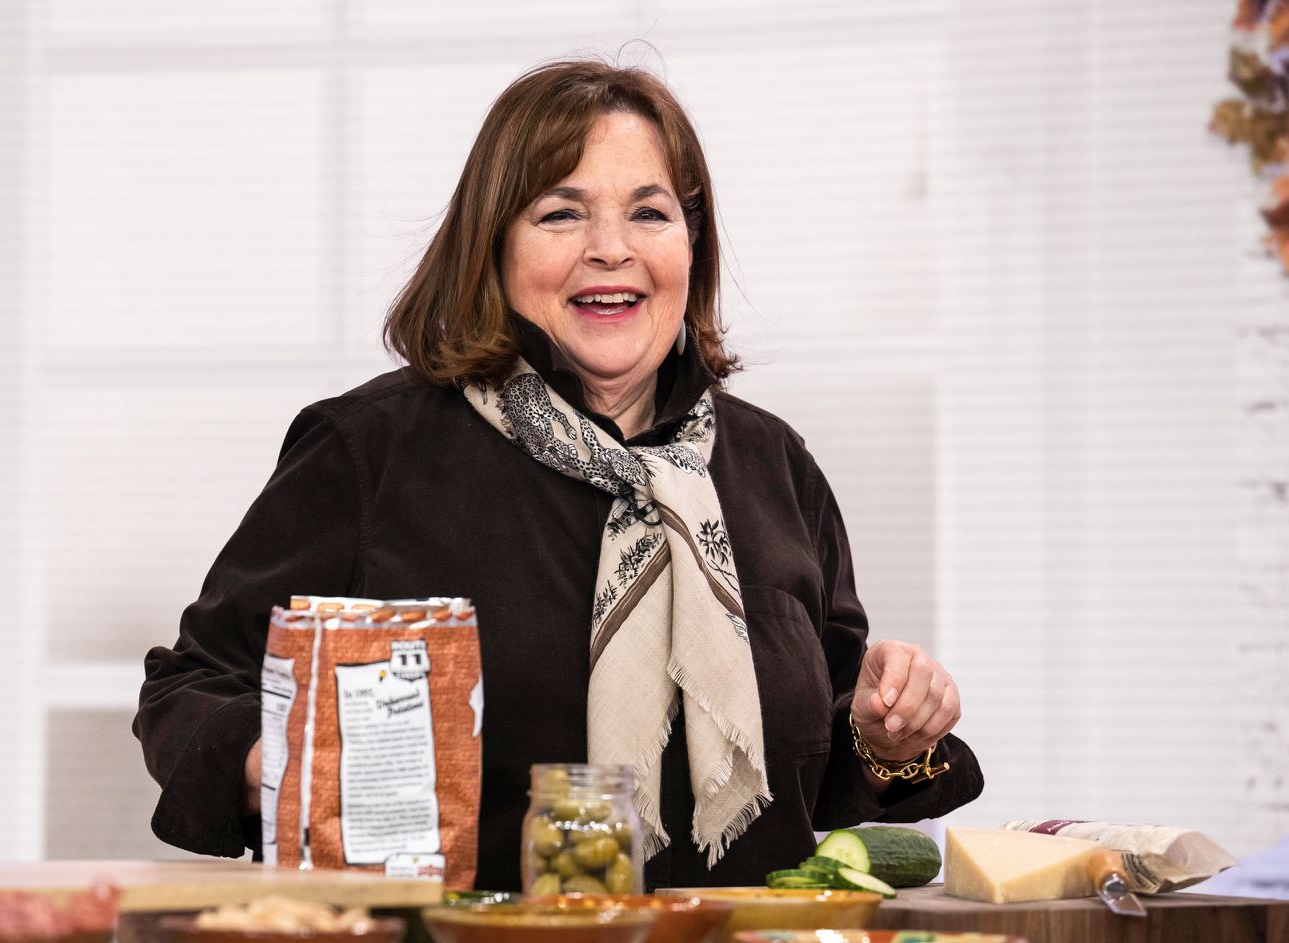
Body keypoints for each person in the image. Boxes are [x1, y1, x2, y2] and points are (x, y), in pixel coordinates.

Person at [135, 58, 982, 891]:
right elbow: (191, 688)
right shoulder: (369, 452)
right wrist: (291, 761)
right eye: (560, 214)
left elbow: (810, 770)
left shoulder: (773, 466)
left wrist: (887, 737)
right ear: (493, 246)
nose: (609, 250)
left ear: (691, 245)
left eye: (649, 213)